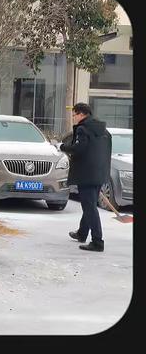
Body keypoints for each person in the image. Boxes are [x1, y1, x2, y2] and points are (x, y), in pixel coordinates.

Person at [59, 102, 112, 252]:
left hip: (87, 174)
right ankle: (82, 233)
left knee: (89, 208)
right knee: (90, 205)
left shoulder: (83, 129)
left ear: (82, 114)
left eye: (74, 114)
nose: (74, 118)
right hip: (99, 173)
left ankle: (97, 242)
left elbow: (78, 149)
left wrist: (62, 147)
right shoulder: (103, 131)